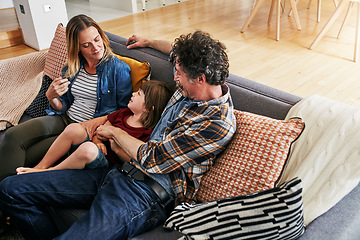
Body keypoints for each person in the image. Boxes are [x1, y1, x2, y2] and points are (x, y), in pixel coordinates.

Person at [0, 30, 236, 239]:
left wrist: (113, 131)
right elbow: (176, 51)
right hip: (116, 173)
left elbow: (152, 158)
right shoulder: (194, 82)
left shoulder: (216, 123)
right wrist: (150, 42)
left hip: (144, 195)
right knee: (10, 189)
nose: (175, 78)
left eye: (179, 74)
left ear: (201, 79)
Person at [0, 14, 133, 181]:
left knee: (27, 156)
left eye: (97, 39)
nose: (96, 48)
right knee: (13, 135)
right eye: (86, 45)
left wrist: (95, 125)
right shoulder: (73, 66)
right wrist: (52, 97)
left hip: (84, 131)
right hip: (63, 119)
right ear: (77, 48)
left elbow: (124, 111)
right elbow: (63, 105)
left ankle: (10, 192)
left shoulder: (118, 69)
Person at [16, 81, 173, 173]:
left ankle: (47, 172)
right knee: (74, 129)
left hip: (106, 165)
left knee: (88, 148)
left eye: (139, 94)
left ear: (148, 108)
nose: (133, 93)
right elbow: (104, 126)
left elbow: (134, 159)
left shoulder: (147, 132)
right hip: (96, 148)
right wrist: (97, 140)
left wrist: (117, 148)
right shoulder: (124, 113)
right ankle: (40, 166)